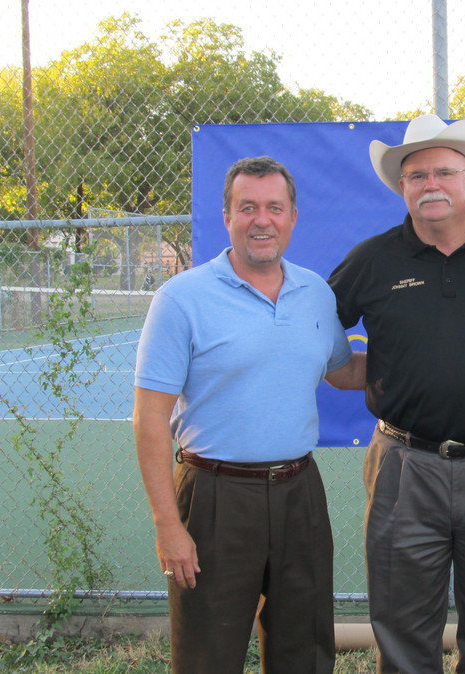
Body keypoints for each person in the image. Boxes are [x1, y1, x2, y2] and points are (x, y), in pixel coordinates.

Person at [329, 114, 465, 673]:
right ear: (402, 187)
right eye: (417, 175)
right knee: (403, 636)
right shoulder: (372, 260)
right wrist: (358, 370)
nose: (431, 185)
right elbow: (315, 332)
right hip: (403, 466)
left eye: (444, 173)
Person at [133, 156, 365, 673]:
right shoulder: (181, 299)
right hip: (214, 498)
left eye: (274, 208)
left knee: (305, 653)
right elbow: (149, 420)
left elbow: (344, 371)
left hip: (300, 493)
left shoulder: (315, 292)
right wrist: (168, 525)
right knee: (207, 656)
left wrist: (423, 361)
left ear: (293, 217)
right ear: (227, 217)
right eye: (248, 208)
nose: (263, 220)